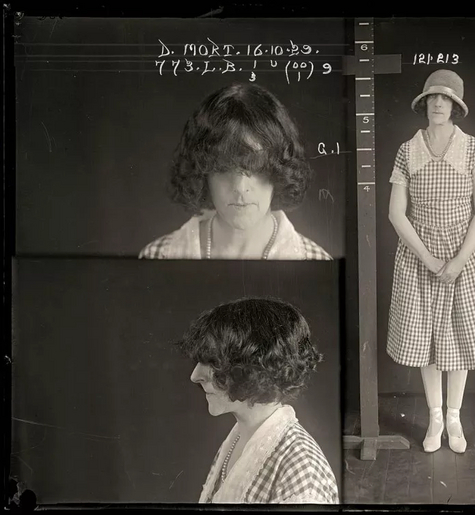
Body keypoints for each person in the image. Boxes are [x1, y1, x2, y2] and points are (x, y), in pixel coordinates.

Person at [386, 69, 475, 454]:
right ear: (424, 104)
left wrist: (457, 261)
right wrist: (431, 260)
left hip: (465, 252)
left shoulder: (473, 148)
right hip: (419, 254)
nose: (438, 104)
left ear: (455, 107)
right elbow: (396, 214)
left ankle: (454, 417)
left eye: (445, 99)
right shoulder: (407, 150)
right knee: (427, 338)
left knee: (459, 335)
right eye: (432, 98)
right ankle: (435, 416)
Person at [139, 83, 331, 260]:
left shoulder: (317, 260)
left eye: (256, 167)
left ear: (279, 172)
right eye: (224, 169)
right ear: (202, 174)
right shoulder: (156, 256)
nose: (240, 187)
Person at [175, 297, 339, 504]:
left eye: (212, 362)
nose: (195, 376)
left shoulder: (302, 472)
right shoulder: (240, 438)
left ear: (254, 367)